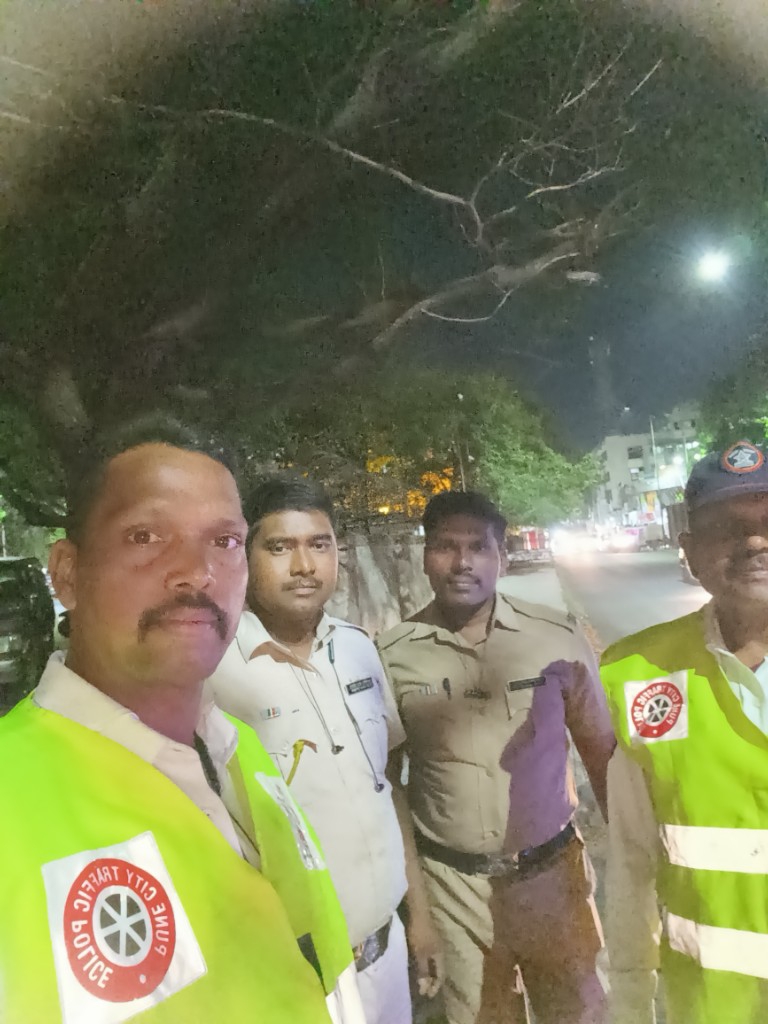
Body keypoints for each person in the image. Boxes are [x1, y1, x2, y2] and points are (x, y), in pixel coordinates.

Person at [0, 415, 365, 1024]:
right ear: (67, 572)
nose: (197, 571)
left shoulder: (240, 750)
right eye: (145, 536)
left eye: (224, 541)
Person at [208, 476, 443, 1024]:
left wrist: (420, 917)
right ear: (246, 557)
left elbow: (387, 786)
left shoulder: (358, 649)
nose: (304, 566)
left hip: (386, 952)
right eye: (279, 547)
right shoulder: (216, 670)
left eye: (319, 544)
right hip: (294, 977)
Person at [377, 490, 615, 1024]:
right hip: (453, 890)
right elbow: (390, 789)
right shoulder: (393, 656)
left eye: (478, 547)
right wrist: (419, 914)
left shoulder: (555, 637)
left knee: (578, 1013)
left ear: (501, 557)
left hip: (553, 879)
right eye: (445, 546)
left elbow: (602, 754)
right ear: (424, 557)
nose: (462, 562)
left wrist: (633, 867)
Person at [602, 439, 768, 1024]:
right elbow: (630, 861)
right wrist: (629, 1000)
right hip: (708, 1005)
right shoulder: (637, 674)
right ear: (691, 552)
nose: (754, 542)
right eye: (728, 529)